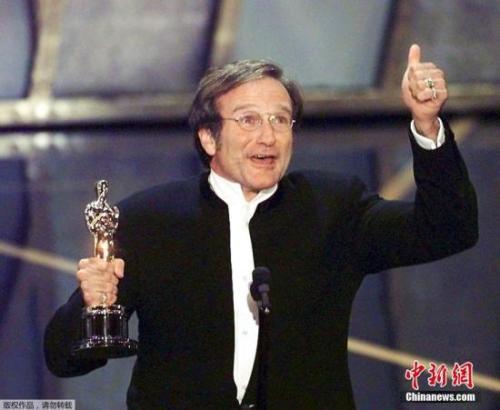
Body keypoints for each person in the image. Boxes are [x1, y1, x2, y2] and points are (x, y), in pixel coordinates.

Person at [44, 44, 478, 409]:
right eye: (248, 120)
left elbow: (449, 230)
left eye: (280, 119)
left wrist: (427, 125)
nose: (268, 137)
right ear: (209, 137)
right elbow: (63, 359)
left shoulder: (333, 208)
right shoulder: (148, 220)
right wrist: (90, 305)